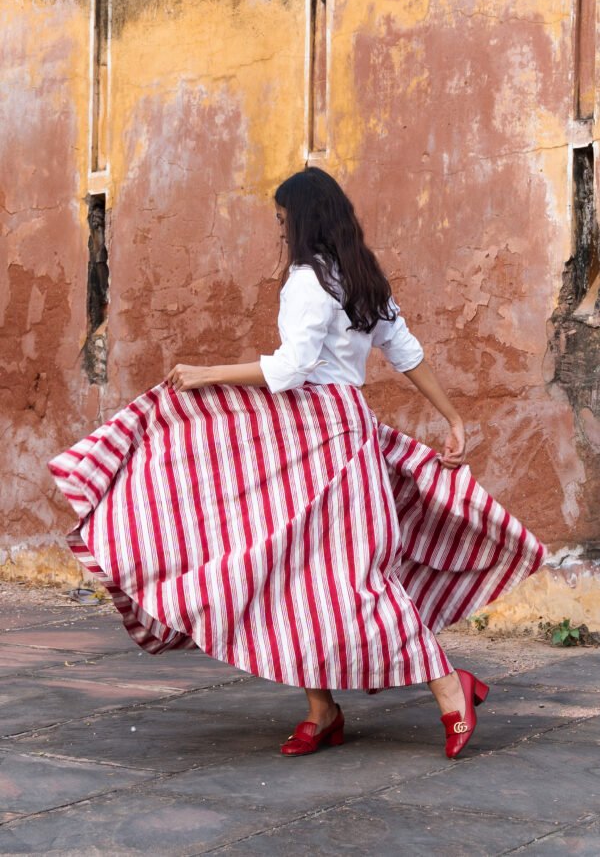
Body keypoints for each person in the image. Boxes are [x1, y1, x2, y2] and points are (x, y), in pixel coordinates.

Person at [49, 167, 546, 760]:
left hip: (315, 432)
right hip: (337, 428)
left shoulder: (310, 281)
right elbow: (404, 350)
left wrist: (207, 373)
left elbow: (292, 368)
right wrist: (453, 417)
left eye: (284, 221)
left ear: (304, 220)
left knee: (351, 578)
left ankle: (448, 686)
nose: (280, 232)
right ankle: (322, 709)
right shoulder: (360, 276)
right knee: (294, 574)